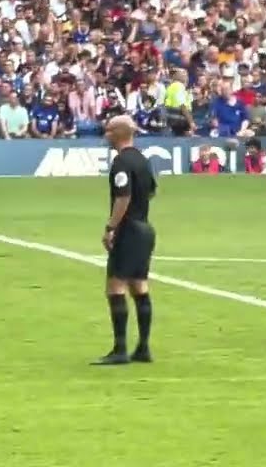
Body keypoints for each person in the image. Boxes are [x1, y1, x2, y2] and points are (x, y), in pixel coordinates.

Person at [94, 115, 157, 366]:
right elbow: (151, 191)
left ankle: (120, 349)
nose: (106, 135)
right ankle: (143, 348)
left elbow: (123, 197)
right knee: (139, 287)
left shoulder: (121, 162)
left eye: (109, 131)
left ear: (119, 133)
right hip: (145, 229)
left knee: (115, 287)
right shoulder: (142, 159)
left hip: (128, 230)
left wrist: (111, 227)